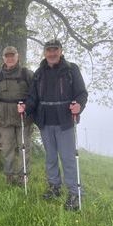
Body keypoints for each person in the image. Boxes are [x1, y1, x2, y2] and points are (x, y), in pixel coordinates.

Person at [17, 39, 88, 211]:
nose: (52, 53)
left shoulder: (71, 69)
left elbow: (81, 93)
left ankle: (74, 192)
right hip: (45, 121)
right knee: (50, 157)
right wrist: (26, 107)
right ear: (44, 53)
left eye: (55, 50)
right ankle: (54, 187)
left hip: (65, 121)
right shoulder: (39, 73)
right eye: (49, 50)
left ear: (61, 51)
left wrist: (79, 104)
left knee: (68, 157)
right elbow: (33, 97)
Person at [0, 46, 34, 186]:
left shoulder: (26, 73)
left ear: (18, 56)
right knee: (7, 149)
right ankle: (9, 176)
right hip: (4, 118)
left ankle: (23, 176)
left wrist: (26, 106)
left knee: (24, 147)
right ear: (3, 58)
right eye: (7, 56)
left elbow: (34, 96)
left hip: (23, 117)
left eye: (12, 55)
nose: (9, 58)